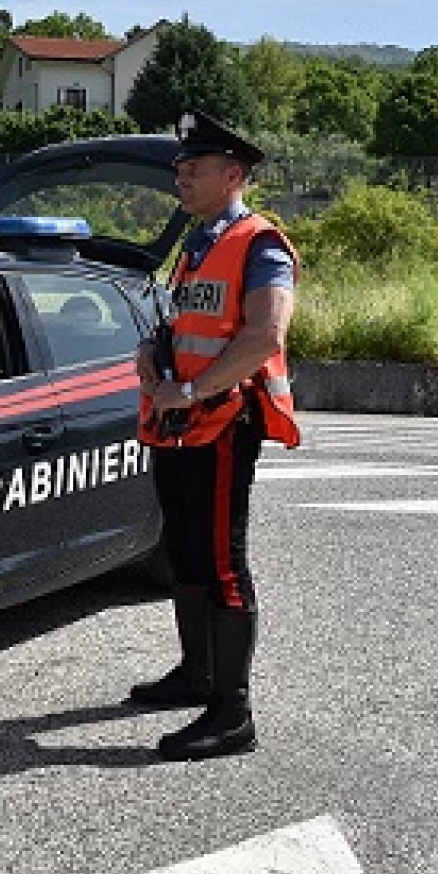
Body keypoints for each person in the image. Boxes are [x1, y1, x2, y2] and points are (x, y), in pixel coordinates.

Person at [126, 109, 302, 762]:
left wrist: (192, 390)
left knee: (224, 563)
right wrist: (151, 349)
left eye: (193, 168)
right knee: (186, 552)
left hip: (225, 421)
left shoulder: (259, 244)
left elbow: (265, 336)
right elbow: (180, 322)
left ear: (233, 174)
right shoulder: (197, 244)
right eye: (179, 168)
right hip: (179, 424)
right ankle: (194, 674)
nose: (181, 177)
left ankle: (232, 713)